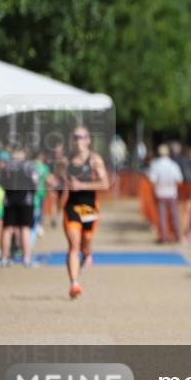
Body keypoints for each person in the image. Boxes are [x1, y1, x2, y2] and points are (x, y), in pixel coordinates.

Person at [62, 127, 109, 298]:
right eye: (75, 137)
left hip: (89, 206)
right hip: (72, 206)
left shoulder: (95, 160)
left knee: (86, 242)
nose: (78, 141)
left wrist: (82, 185)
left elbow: (105, 184)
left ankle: (87, 255)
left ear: (88, 140)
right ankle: (74, 283)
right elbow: (59, 178)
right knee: (73, 245)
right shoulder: (66, 161)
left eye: (82, 137)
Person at [0, 147, 40, 267]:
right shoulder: (29, 167)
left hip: (9, 201)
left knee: (8, 229)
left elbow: (1, 182)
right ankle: (26, 258)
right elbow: (35, 183)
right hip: (25, 201)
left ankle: (4, 258)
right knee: (24, 228)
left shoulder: (7, 167)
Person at [149, 144, 184, 243]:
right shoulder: (173, 165)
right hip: (172, 193)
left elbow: (152, 180)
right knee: (174, 216)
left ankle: (164, 237)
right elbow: (179, 180)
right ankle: (177, 236)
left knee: (162, 217)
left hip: (160, 193)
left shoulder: (156, 165)